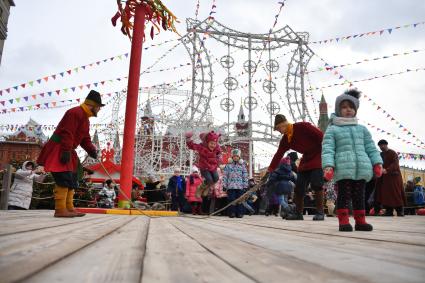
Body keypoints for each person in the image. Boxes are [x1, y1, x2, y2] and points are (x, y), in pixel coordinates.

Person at [322, 89, 383, 232]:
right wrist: (328, 166)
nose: (348, 110)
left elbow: (371, 148)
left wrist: (377, 162)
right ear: (338, 109)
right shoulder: (332, 129)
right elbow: (328, 149)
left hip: (362, 168)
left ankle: (360, 221)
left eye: (351, 107)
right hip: (343, 167)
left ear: (355, 110)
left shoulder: (362, 129)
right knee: (344, 195)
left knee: (359, 196)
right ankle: (343, 221)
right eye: (344, 107)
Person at [37, 90, 104, 217]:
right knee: (64, 178)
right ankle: (60, 209)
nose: (99, 110)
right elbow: (67, 133)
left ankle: (69, 207)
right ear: (93, 105)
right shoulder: (75, 112)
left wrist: (91, 150)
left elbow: (85, 138)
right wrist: (66, 150)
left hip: (68, 149)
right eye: (99, 107)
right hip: (60, 148)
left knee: (72, 178)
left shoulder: (85, 118)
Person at [265, 114, 325, 221]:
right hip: (306, 158)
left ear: (284, 124)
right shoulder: (285, 139)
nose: (278, 131)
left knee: (317, 184)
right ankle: (298, 213)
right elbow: (278, 154)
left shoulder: (302, 127)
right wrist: (269, 170)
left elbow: (321, 136)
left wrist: (328, 153)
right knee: (299, 187)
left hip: (318, 154)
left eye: (278, 128)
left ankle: (320, 212)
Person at [185, 130, 221, 198]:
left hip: (213, 167)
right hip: (204, 167)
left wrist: (219, 156)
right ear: (207, 142)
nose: (213, 145)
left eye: (214, 144)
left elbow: (219, 152)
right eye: (211, 143)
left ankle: (207, 187)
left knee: (216, 178)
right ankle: (200, 188)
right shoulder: (202, 147)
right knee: (209, 179)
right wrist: (188, 139)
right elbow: (192, 146)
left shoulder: (217, 148)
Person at [375, 140, 407, 216]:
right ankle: (389, 211)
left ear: (386, 145)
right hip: (384, 177)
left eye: (383, 145)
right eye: (380, 146)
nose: (381, 147)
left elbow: (395, 164)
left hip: (394, 177)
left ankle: (400, 210)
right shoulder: (380, 154)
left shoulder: (393, 153)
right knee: (386, 194)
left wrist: (387, 170)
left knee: (396, 192)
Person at [223, 149, 248, 218]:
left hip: (240, 186)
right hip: (231, 186)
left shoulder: (242, 166)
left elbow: (245, 176)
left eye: (237, 156)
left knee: (240, 200)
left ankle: (239, 213)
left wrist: (245, 186)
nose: (235, 157)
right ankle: (232, 213)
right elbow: (225, 176)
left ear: (239, 157)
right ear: (232, 157)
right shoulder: (228, 166)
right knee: (231, 199)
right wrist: (224, 185)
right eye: (234, 156)